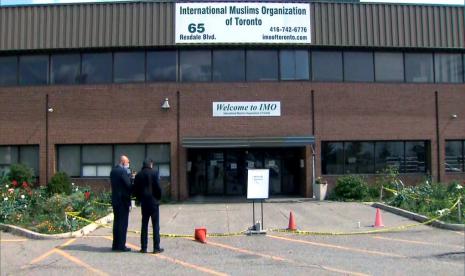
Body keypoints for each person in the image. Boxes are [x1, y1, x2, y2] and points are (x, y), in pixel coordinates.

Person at [133, 159, 164, 254]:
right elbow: (158, 187)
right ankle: (156, 247)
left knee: (144, 225)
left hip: (144, 202)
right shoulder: (155, 173)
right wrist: (158, 197)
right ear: (150, 164)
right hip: (153, 202)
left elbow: (136, 189)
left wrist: (139, 199)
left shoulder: (138, 175)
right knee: (155, 225)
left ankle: (143, 247)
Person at [110, 155, 132, 252]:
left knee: (116, 223)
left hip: (115, 200)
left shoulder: (113, 171)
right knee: (123, 224)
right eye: (127, 163)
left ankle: (115, 244)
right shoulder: (122, 172)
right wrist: (131, 179)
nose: (128, 165)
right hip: (123, 200)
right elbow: (128, 185)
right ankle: (121, 245)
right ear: (123, 162)